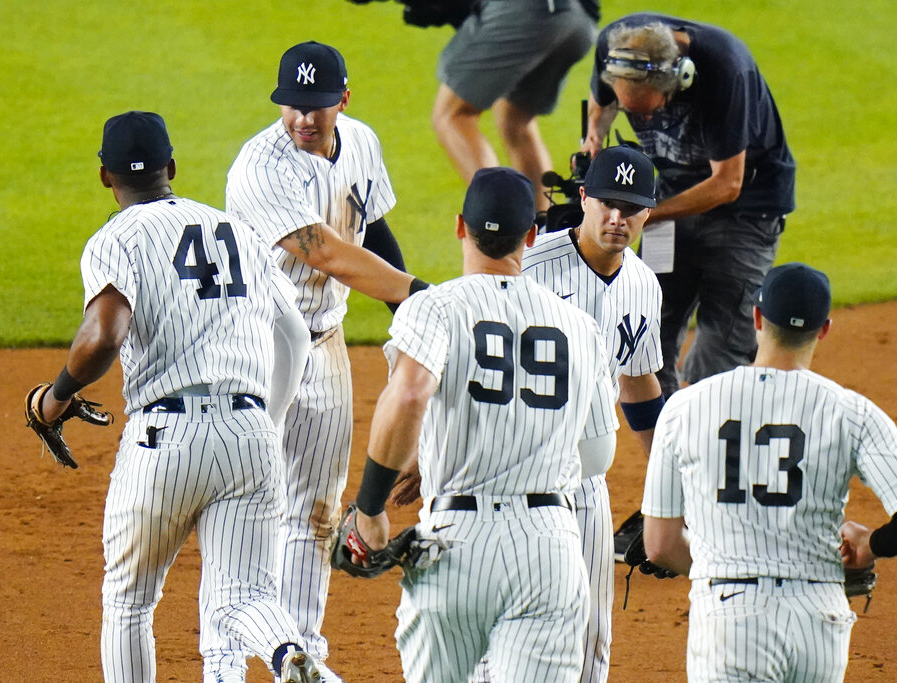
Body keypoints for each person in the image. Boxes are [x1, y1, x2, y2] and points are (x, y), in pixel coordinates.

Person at [32, 111, 326, 682]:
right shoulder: (236, 230)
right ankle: (288, 653)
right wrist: (267, 418)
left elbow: (104, 336)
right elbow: (293, 332)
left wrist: (58, 393)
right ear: (171, 168)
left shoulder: (115, 238)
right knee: (241, 596)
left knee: (129, 601)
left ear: (104, 177)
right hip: (249, 434)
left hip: (164, 442)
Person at [345, 167, 619, 682]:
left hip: (455, 544)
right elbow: (598, 456)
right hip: (550, 547)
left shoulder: (433, 308)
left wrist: (371, 509)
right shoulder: (580, 327)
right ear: (531, 237)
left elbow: (407, 395)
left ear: (458, 227)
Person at [224, 40, 427, 680]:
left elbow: (372, 232)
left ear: (342, 98)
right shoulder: (260, 168)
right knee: (248, 506)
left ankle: (301, 653)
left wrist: (409, 312)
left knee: (316, 506)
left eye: (316, 106)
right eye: (292, 106)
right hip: (254, 349)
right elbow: (329, 254)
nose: (303, 120)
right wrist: (421, 298)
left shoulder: (360, 141)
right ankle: (226, 657)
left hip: (326, 341)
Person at [642, 262, 897, 681]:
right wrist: (871, 544)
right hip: (818, 618)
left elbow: (659, 545)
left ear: (757, 319)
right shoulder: (852, 413)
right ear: (824, 329)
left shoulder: (686, 407)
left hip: (731, 617)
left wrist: (722, 561)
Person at [584, 12, 796, 400]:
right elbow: (600, 107)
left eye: (650, 110)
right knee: (648, 331)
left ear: (678, 80)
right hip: (668, 200)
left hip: (746, 210)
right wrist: (593, 139)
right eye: (637, 113)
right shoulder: (614, 48)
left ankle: (709, 441)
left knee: (722, 344)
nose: (646, 119)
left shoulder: (724, 70)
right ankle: (667, 446)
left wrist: (646, 213)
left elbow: (727, 183)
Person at [516, 145, 664, 682]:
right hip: (515, 474)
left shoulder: (644, 284)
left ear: (649, 211)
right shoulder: (530, 267)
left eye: (632, 207)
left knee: (591, 635)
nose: (618, 218)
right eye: (606, 203)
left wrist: (665, 472)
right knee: (512, 628)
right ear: (583, 199)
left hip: (586, 482)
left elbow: (641, 385)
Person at [432, 0, 599, 211]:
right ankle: (544, 233)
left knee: (453, 115)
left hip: (528, 12)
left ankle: (504, 222)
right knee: (516, 122)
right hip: (579, 21)